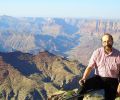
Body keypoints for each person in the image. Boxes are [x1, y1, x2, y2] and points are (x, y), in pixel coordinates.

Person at [78, 33, 120, 100]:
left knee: (110, 97)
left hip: (112, 81)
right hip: (98, 78)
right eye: (104, 41)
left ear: (112, 41)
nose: (107, 43)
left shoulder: (118, 55)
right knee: (83, 87)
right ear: (102, 43)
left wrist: (119, 87)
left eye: (109, 41)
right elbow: (89, 67)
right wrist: (84, 78)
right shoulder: (97, 52)